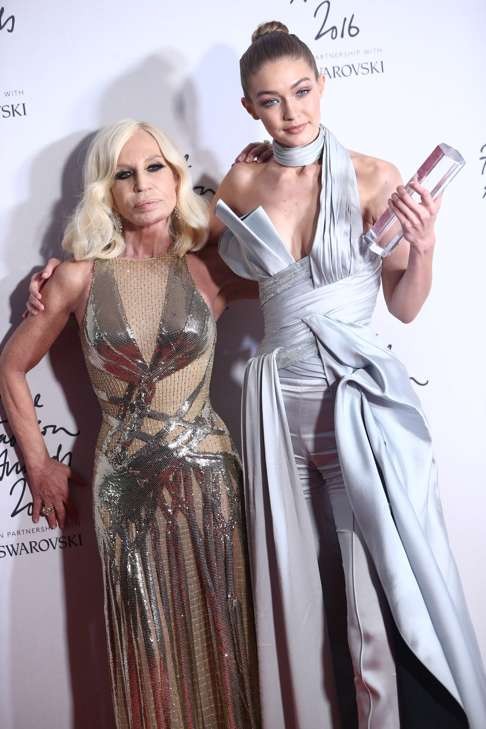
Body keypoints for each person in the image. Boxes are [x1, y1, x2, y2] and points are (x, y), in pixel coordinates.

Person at [206, 20, 486, 729]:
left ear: (322, 85)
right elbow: (211, 277)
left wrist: (422, 249)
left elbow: (404, 304)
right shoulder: (240, 181)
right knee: (291, 592)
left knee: (372, 595)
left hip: (354, 401)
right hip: (272, 403)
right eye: (271, 101)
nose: (292, 111)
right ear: (250, 109)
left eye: (302, 91)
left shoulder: (374, 176)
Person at [0, 119, 261, 729]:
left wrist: (259, 175)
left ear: (176, 176)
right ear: (106, 190)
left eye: (155, 168)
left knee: (228, 641)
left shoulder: (210, 268)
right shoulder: (75, 278)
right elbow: (10, 367)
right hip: (125, 489)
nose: (142, 185)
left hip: (212, 485)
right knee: (148, 661)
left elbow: (302, 277)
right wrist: (39, 464)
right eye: (124, 173)